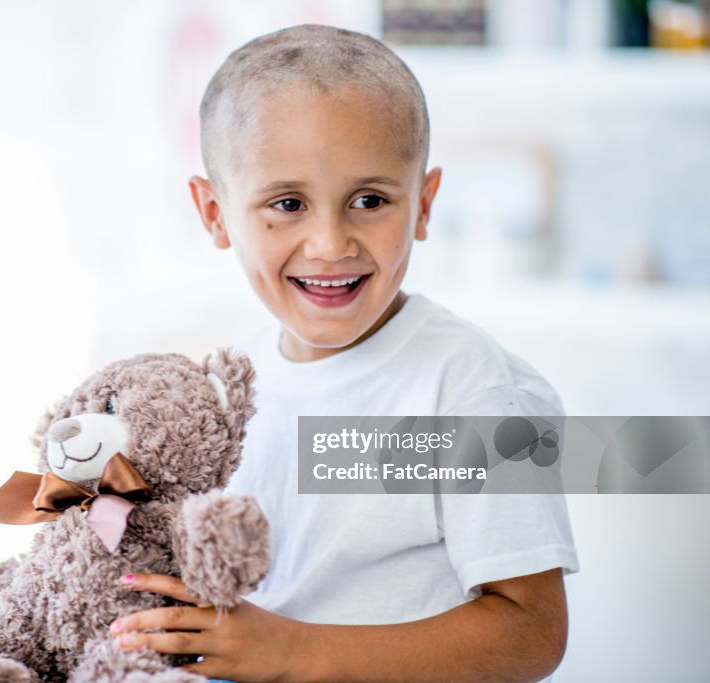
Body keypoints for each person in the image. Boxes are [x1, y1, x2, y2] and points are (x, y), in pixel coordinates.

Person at [108, 24, 579, 683]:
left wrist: (291, 651)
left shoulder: (473, 390)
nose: (330, 242)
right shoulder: (227, 389)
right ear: (214, 214)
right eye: (288, 203)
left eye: (370, 200)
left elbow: (533, 632)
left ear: (423, 203)